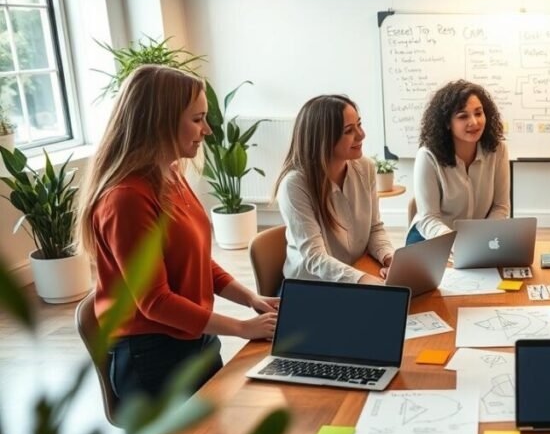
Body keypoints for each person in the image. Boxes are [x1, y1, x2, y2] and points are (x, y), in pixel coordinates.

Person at [78, 65, 277, 401]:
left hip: (193, 340)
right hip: (152, 359)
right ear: (161, 120)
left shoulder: (171, 174)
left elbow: (197, 261)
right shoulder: (126, 197)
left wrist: (251, 299)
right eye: (197, 119)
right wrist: (241, 328)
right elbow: (155, 302)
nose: (208, 130)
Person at [275, 95, 394, 285]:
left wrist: (389, 256)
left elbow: (374, 228)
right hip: (310, 288)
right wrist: (365, 280)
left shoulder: (366, 167)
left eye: (359, 124)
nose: (361, 134)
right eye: (349, 131)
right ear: (322, 139)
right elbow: (316, 259)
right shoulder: (294, 185)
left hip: (353, 272)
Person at [408, 80, 510, 245]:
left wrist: (484, 238)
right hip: (433, 238)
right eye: (463, 116)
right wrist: (460, 244)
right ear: (447, 123)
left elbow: (500, 207)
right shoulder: (427, 156)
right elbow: (429, 218)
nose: (474, 122)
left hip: (479, 240)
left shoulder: (498, 150)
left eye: (478, 113)